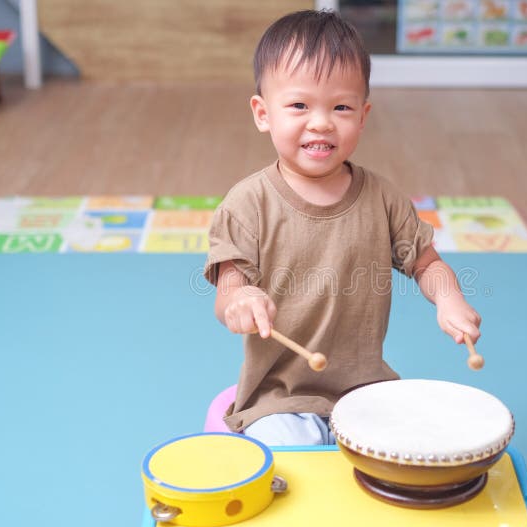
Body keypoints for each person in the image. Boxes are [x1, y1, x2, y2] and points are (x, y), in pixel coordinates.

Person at [205, 9, 481, 445]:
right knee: (296, 458)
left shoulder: (384, 198)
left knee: (421, 448)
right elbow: (227, 295)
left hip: (365, 392)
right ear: (263, 113)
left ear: (363, 115)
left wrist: (449, 299)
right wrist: (240, 300)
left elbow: (429, 265)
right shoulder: (247, 204)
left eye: (341, 107)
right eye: (299, 105)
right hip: (282, 397)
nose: (321, 122)